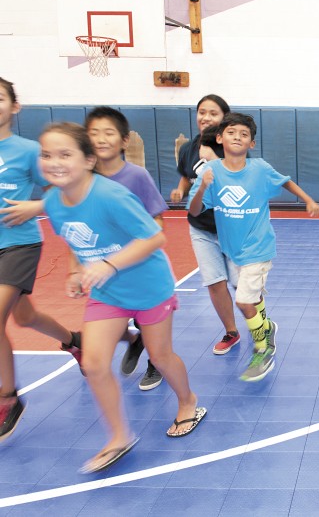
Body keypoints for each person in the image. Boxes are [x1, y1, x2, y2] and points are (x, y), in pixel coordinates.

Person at [39, 122, 205, 473]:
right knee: (95, 363)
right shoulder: (54, 200)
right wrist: (74, 271)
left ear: (87, 160)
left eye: (65, 154)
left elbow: (154, 239)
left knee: (160, 356)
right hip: (107, 292)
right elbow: (73, 237)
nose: (54, 161)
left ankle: (188, 400)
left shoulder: (111, 196)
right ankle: (118, 437)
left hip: (148, 287)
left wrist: (108, 264)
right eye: (46, 154)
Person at [188, 113, 319, 381]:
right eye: (231, 132)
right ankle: (267, 325)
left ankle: (263, 346)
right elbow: (193, 210)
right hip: (232, 249)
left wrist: (308, 199)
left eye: (244, 134)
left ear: (252, 143)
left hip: (259, 247)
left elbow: (284, 181)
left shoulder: (259, 168)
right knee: (252, 298)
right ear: (219, 138)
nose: (237, 136)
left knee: (244, 300)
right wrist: (202, 188)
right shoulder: (210, 173)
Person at [0, 79, 82, 441]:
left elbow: (63, 189)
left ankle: (8, 398)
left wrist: (36, 205)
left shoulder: (29, 151)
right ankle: (73, 340)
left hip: (18, 244)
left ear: (14, 107)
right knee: (25, 315)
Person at [84, 106, 170, 391]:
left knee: (153, 328)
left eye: (108, 132)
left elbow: (156, 222)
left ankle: (154, 363)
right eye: (94, 133)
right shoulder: (82, 179)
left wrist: (140, 244)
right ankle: (135, 340)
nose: (101, 139)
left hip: (140, 266)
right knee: (110, 323)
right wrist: (76, 267)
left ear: (123, 141)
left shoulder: (136, 176)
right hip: (105, 269)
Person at [170, 95, 242, 357]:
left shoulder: (235, 147)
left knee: (241, 284)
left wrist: (212, 158)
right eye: (202, 112)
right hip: (201, 227)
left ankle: (261, 325)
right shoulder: (189, 148)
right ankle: (231, 331)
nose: (206, 118)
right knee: (214, 281)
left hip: (232, 227)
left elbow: (239, 184)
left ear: (224, 118)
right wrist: (179, 191)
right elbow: (185, 176)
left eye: (213, 113)